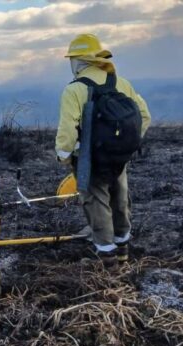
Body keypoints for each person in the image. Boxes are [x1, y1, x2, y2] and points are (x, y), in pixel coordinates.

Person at [55, 34, 151, 266]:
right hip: (119, 157)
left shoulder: (75, 90)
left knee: (96, 202)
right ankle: (123, 250)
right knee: (120, 198)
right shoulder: (120, 83)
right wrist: (125, 145)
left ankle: (106, 256)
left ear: (77, 62)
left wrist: (65, 155)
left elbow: (67, 130)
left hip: (90, 158)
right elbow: (144, 116)